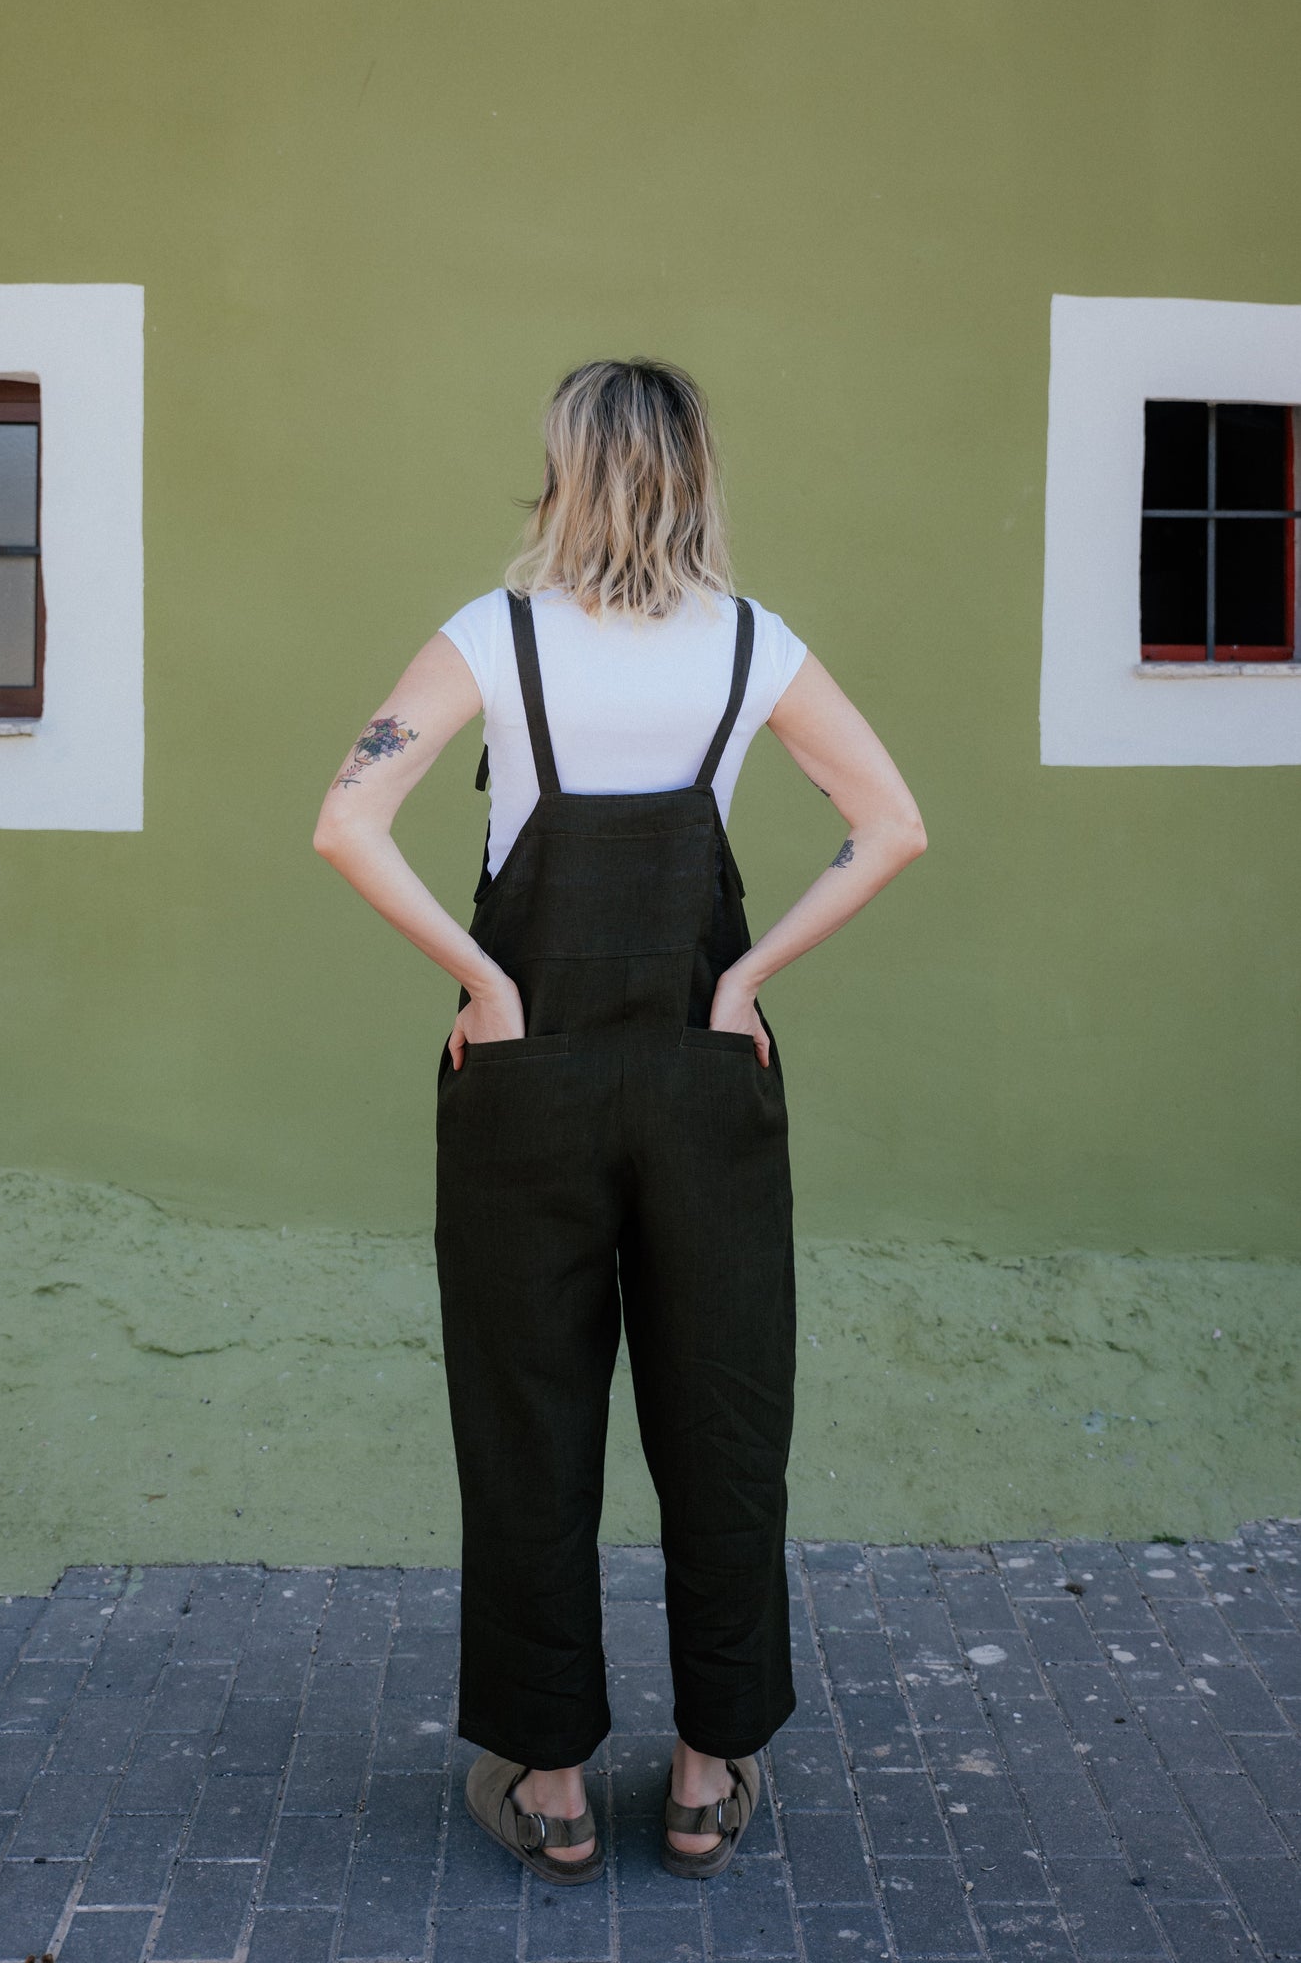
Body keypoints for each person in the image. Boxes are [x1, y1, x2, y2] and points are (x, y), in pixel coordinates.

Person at [313, 357, 926, 1887]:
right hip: (704, 1077)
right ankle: (708, 1777)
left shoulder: (494, 634)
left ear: (567, 476)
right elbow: (892, 827)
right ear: (696, 475)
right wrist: (746, 979)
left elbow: (345, 824)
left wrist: (484, 985)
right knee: (723, 1413)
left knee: (527, 1416)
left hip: (523, 1081)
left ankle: (555, 1785)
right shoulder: (752, 645)